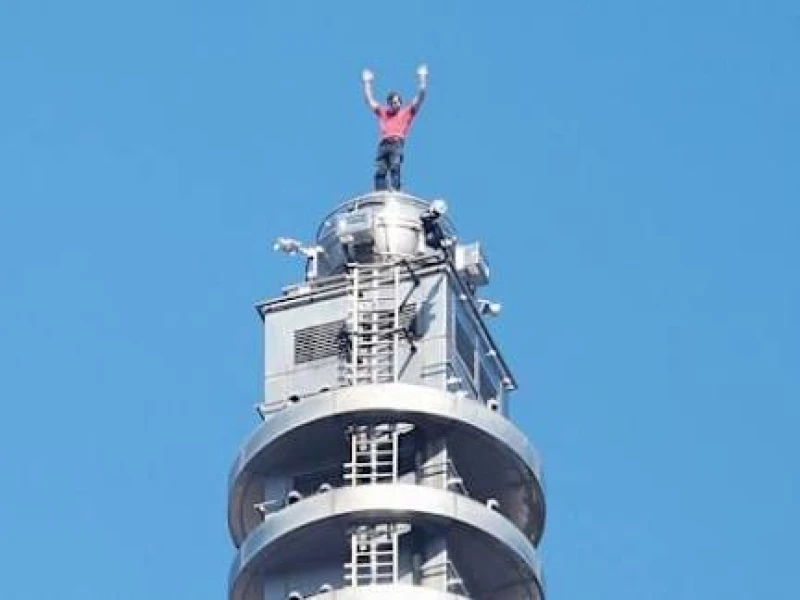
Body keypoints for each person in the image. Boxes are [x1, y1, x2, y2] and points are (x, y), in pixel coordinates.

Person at [362, 65, 429, 191]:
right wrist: (367, 82)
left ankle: (395, 190)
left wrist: (422, 77)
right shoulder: (384, 112)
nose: (396, 104)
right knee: (380, 170)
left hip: (396, 142)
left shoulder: (407, 112)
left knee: (395, 166)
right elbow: (369, 100)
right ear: (389, 104)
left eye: (397, 102)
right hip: (384, 143)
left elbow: (421, 94)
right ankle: (380, 192)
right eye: (393, 102)